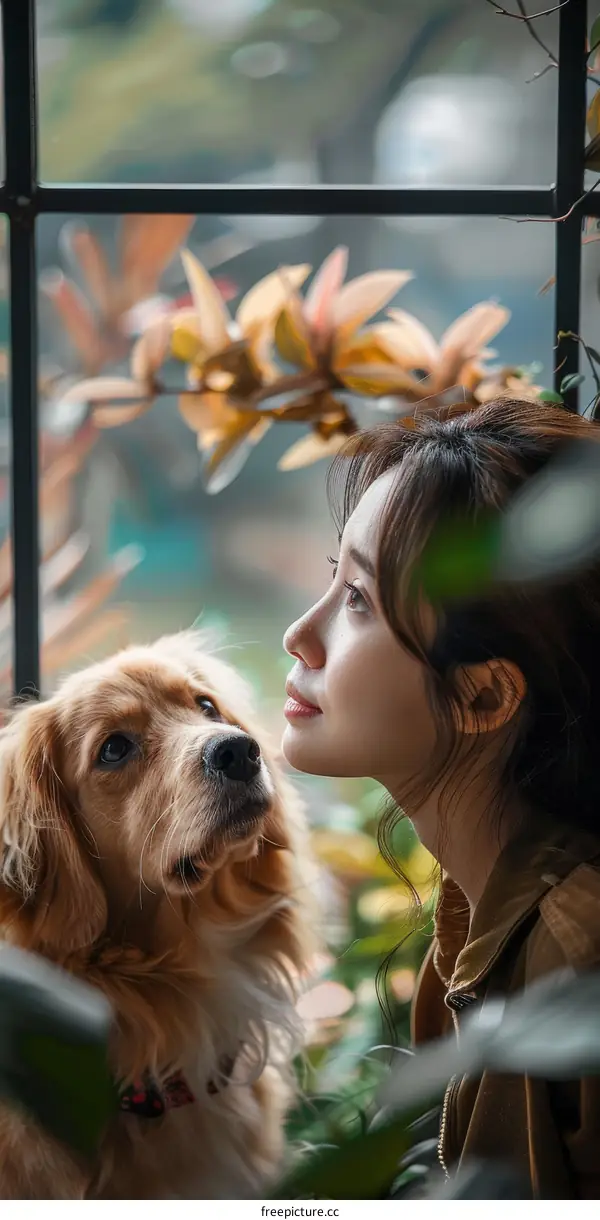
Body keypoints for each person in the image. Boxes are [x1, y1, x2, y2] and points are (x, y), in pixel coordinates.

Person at [281, 397, 600, 1201]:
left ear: (484, 697)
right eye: (334, 577)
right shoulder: (475, 914)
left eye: (358, 599)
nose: (300, 634)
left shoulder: (579, 960)